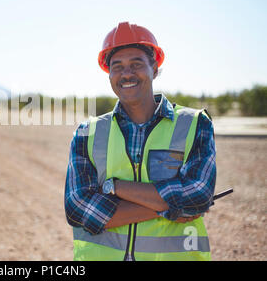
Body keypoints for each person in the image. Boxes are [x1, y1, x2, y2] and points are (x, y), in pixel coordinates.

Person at [64, 22, 216, 261]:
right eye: (118, 67)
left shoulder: (195, 124)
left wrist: (113, 187)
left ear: (154, 69)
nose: (127, 74)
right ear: (109, 74)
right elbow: (79, 209)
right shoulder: (88, 132)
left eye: (136, 64)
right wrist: (167, 207)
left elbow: (197, 196)